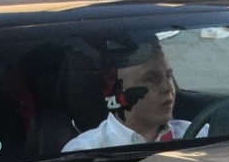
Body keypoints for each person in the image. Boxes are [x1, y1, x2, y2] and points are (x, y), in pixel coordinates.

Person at [62, 36, 191, 149]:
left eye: (168, 75)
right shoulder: (84, 151)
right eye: (151, 79)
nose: (167, 87)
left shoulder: (197, 133)